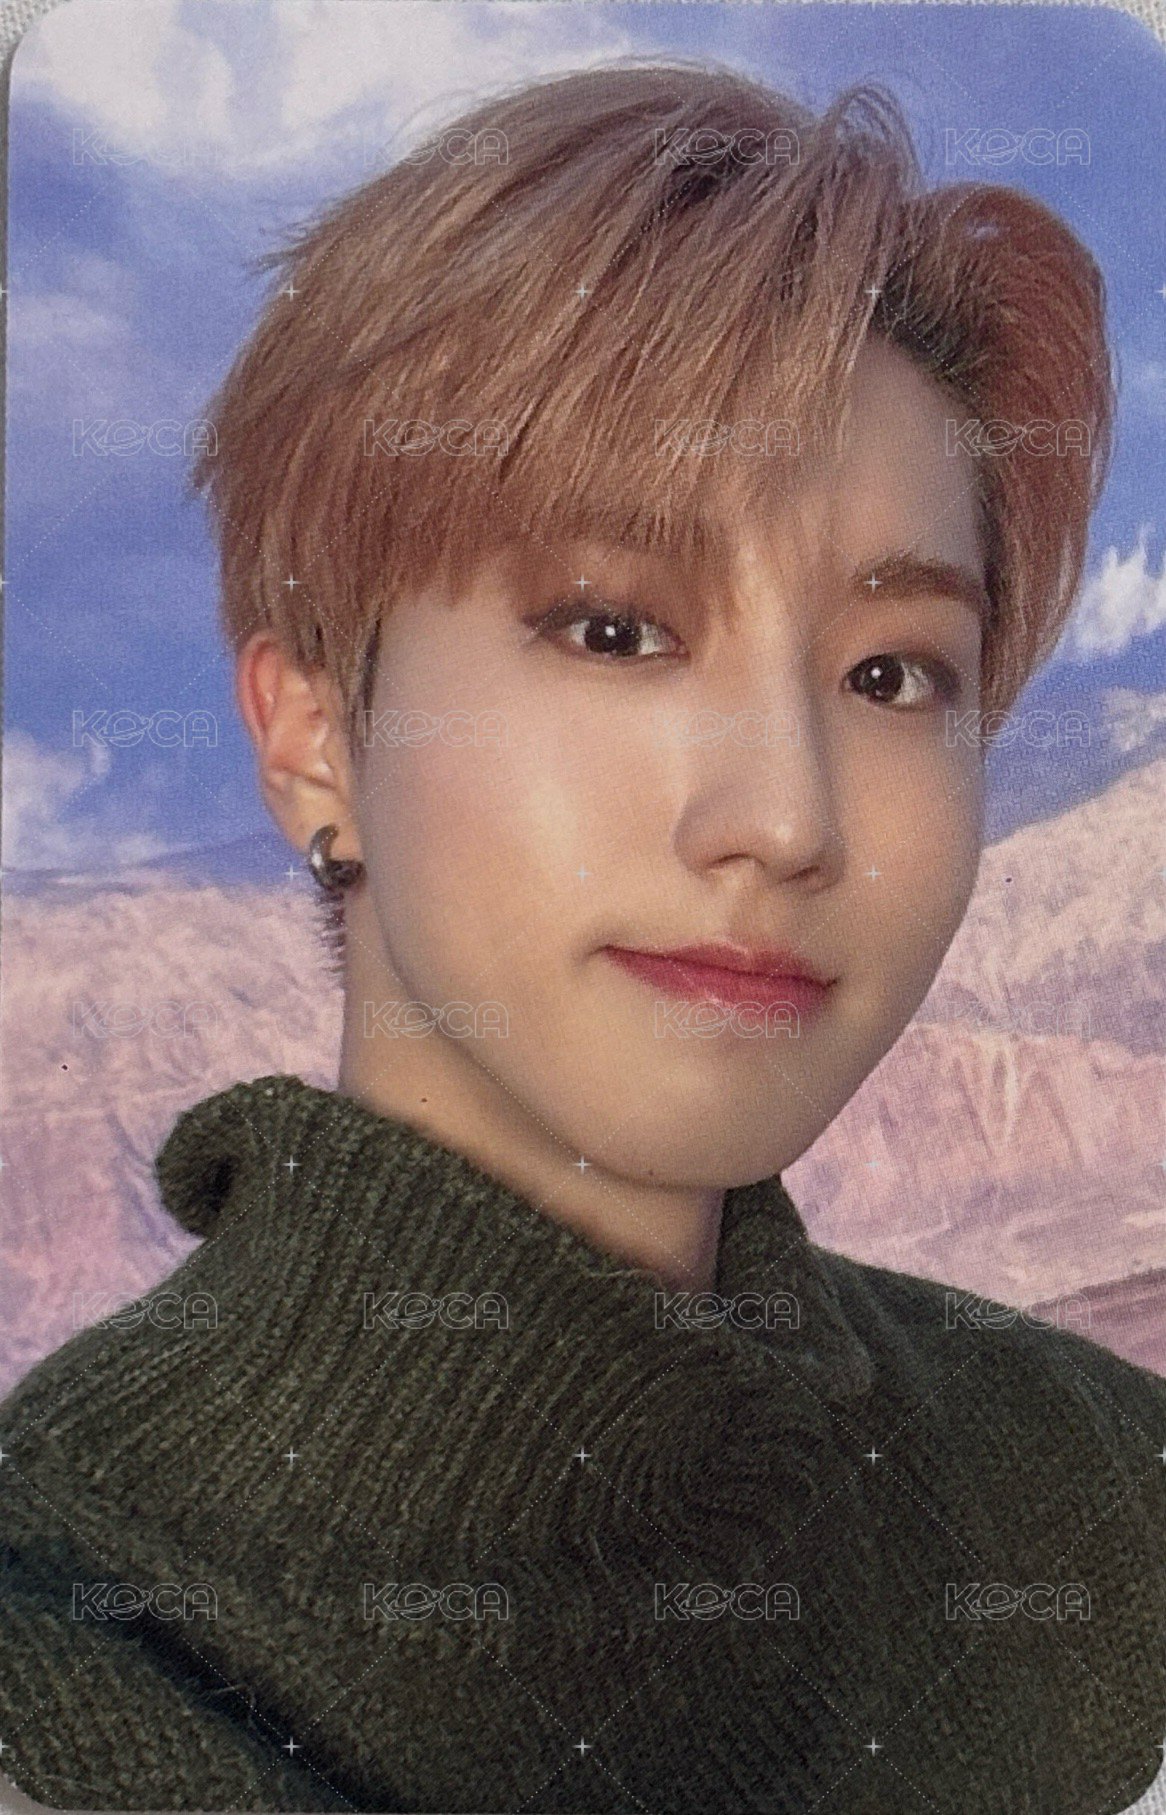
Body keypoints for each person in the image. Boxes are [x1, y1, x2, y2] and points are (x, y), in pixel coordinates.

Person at [1, 58, 1162, 1815]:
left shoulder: (1106, 1503)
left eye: (888, 673)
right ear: (312, 739)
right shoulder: (72, 1647)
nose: (783, 816)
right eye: (615, 630)